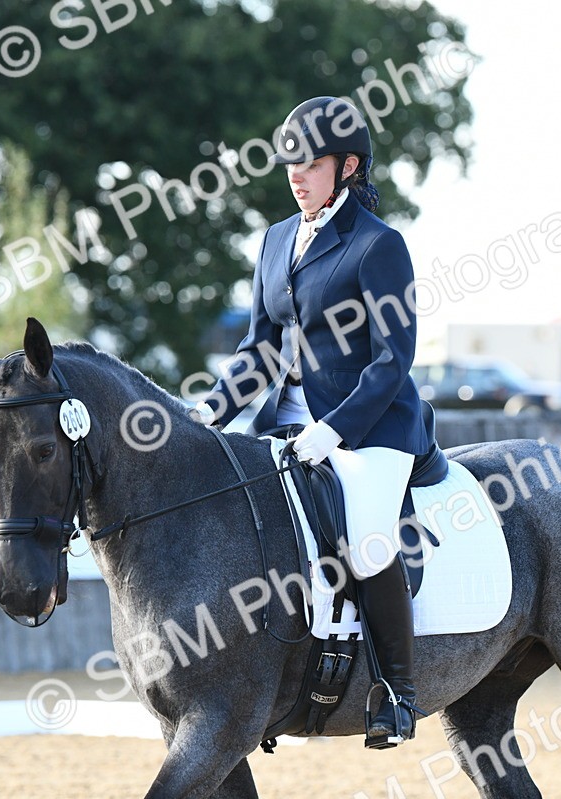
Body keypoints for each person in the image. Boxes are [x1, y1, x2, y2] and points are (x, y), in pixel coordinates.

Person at [195, 96, 430, 748]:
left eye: (312, 163)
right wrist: (212, 409)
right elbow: (261, 349)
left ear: (348, 166)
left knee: (368, 538)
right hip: (285, 421)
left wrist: (336, 429)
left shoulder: (378, 245)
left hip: (373, 426)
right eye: (290, 164)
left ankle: (398, 695)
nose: (296, 175)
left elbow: (394, 358)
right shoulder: (276, 240)